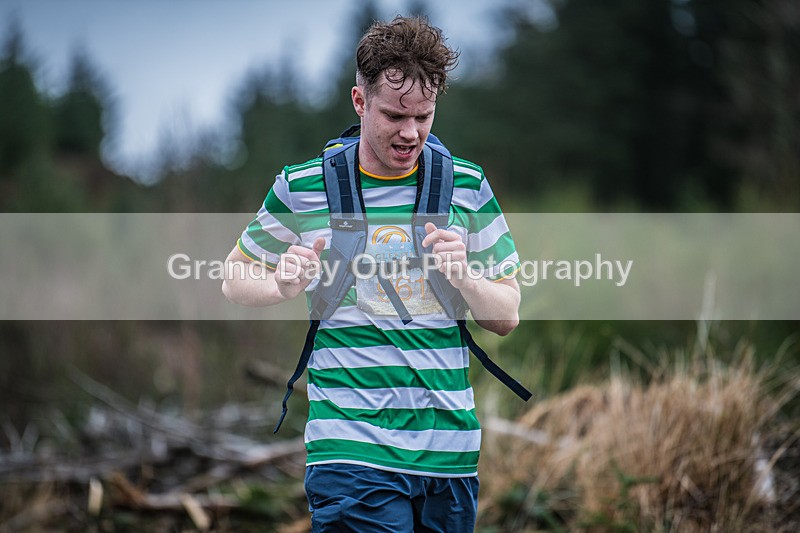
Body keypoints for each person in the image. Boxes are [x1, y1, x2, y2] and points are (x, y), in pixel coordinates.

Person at [222, 15, 521, 532]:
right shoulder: (302, 187)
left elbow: (507, 315)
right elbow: (233, 277)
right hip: (350, 450)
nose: (411, 133)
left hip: (450, 454)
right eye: (394, 115)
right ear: (360, 101)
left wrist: (467, 279)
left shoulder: (468, 186)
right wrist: (278, 285)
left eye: (424, 116)